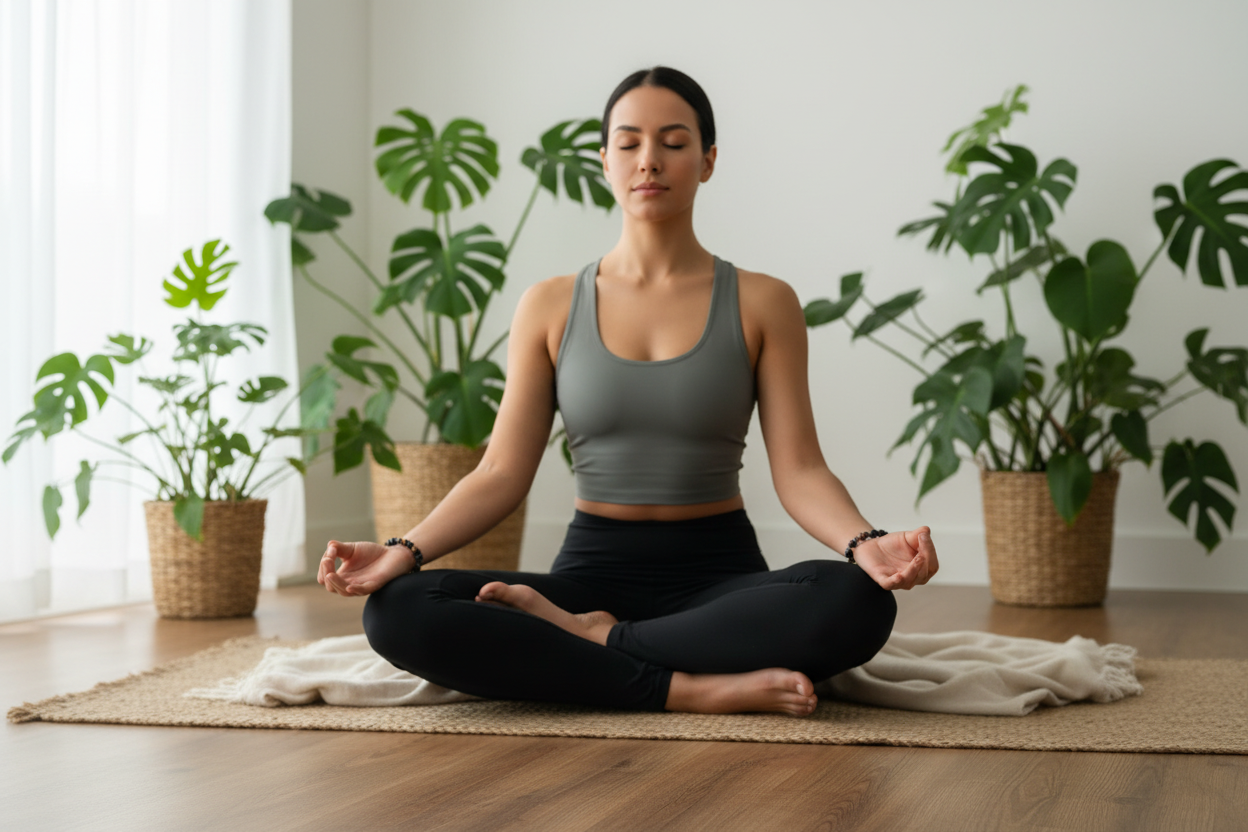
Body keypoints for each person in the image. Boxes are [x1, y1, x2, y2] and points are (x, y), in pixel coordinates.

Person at [317, 66, 939, 716]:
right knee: (399, 610)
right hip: (586, 574)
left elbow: (802, 470)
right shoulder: (550, 305)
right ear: (604, 161)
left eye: (673, 142)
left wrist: (866, 544)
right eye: (629, 142)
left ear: (708, 161)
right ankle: (683, 687)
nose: (650, 161)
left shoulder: (763, 302)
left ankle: (602, 642)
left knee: (858, 600)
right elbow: (500, 471)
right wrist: (400, 552)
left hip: (720, 578)